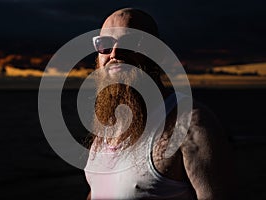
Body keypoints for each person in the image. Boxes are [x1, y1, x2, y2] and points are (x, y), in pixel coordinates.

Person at [84, 8, 234, 200]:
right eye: (104, 44)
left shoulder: (190, 124)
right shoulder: (109, 124)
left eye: (130, 42)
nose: (114, 53)